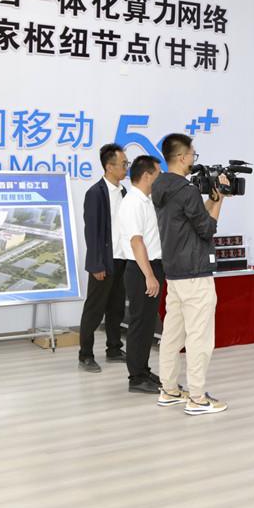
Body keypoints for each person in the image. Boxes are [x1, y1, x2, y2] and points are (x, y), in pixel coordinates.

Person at [152, 133, 229, 414]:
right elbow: (207, 229)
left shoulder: (160, 186)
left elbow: (194, 222)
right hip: (195, 272)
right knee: (199, 337)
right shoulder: (186, 191)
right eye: (192, 155)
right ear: (183, 156)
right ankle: (197, 398)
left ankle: (169, 390)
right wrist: (220, 199)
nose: (193, 160)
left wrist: (211, 200)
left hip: (174, 272)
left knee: (172, 336)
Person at [78, 143, 128, 373]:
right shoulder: (95, 193)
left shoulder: (124, 192)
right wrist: (96, 264)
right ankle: (85, 355)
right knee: (94, 309)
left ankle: (114, 349)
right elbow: (92, 233)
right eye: (123, 164)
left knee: (116, 308)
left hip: (122, 259)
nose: (126, 168)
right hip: (103, 261)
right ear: (109, 167)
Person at [117, 155, 165, 394]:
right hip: (140, 269)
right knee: (139, 324)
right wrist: (149, 275)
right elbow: (136, 241)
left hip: (152, 266)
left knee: (147, 324)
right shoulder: (133, 202)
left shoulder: (146, 201)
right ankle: (135, 377)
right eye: (158, 174)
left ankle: (143, 370)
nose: (160, 179)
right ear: (147, 175)